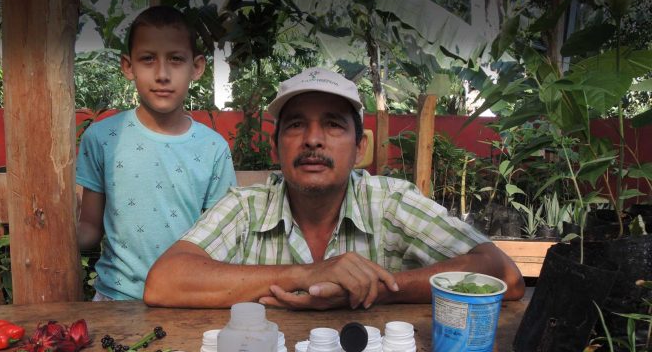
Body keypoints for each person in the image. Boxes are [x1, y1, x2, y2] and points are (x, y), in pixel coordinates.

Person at [144, 67, 524, 309]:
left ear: (360, 149)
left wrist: (378, 288)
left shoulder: (390, 202)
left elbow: (503, 275)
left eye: (333, 125)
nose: (312, 140)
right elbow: (164, 282)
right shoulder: (246, 206)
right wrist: (305, 275)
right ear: (276, 147)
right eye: (295, 125)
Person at [76, 6, 236, 300]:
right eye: (148, 59)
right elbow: (89, 227)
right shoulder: (101, 138)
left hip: (187, 300)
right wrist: (42, 233)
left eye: (175, 59)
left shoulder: (213, 149)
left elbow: (220, 240)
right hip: (115, 301)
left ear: (196, 67)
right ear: (128, 66)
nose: (162, 74)